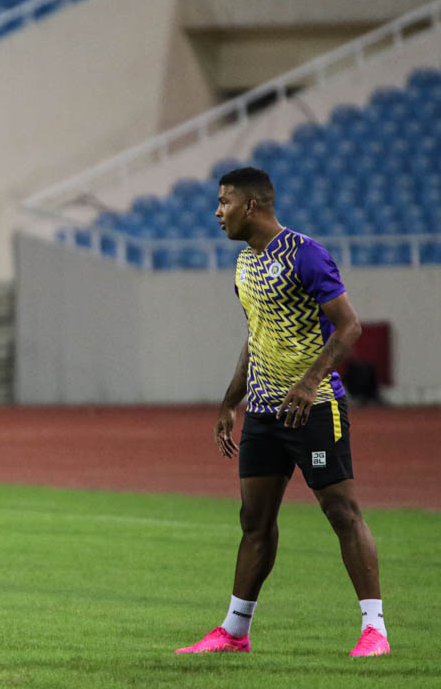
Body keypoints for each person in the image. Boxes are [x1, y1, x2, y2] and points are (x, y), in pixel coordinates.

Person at [177, 166, 389, 657]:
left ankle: (374, 630)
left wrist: (310, 381)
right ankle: (234, 631)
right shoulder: (244, 265)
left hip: (314, 408)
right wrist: (231, 401)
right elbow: (257, 337)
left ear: (251, 205)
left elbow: (350, 327)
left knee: (341, 512)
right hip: (265, 414)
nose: (217, 212)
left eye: (224, 201)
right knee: (254, 519)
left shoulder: (305, 254)